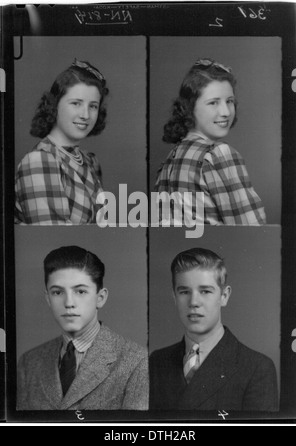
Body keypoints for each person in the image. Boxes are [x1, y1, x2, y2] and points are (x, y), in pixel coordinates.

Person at [17, 246, 148, 410]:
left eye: (80, 291)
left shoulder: (137, 361)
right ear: (48, 299)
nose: (69, 303)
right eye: (57, 292)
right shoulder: (29, 362)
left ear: (100, 298)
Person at [149, 248, 278, 412]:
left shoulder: (257, 368)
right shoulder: (156, 362)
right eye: (184, 291)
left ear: (224, 296)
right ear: (174, 297)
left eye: (205, 291)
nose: (194, 302)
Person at [154, 58, 266, 225]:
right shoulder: (218, 154)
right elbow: (252, 229)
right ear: (190, 107)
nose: (226, 112)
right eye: (213, 102)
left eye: (229, 101)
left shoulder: (172, 157)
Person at [15, 59, 109, 225]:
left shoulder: (90, 162)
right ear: (54, 105)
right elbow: (50, 235)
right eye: (76, 103)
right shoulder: (39, 161)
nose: (85, 115)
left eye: (93, 106)